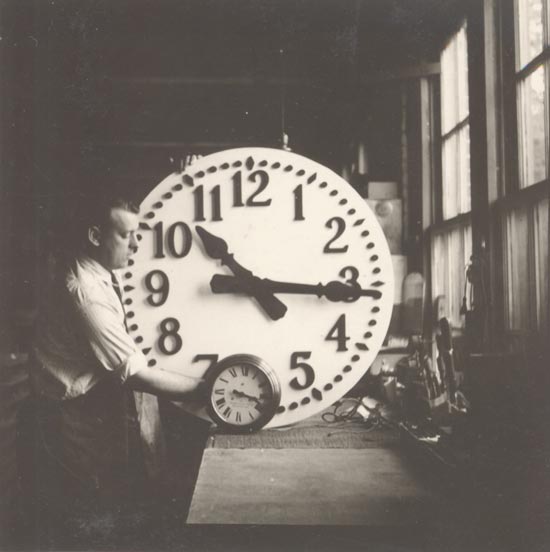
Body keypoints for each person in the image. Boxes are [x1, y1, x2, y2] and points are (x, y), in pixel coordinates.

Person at [31, 189, 203, 541]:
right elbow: (135, 373)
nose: (136, 244)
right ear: (95, 236)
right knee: (92, 513)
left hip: (94, 406)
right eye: (127, 235)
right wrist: (207, 389)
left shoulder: (104, 271)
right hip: (72, 414)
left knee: (114, 505)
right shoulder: (85, 293)